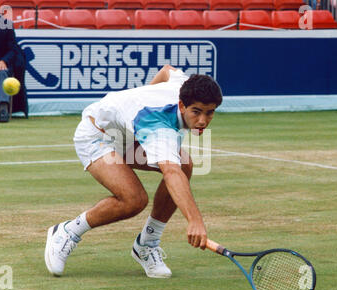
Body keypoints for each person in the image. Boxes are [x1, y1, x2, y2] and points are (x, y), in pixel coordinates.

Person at [45, 65, 223, 278]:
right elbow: (171, 174)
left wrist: (146, 95)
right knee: (134, 199)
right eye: (196, 112)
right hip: (96, 136)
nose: (203, 120)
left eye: (210, 112)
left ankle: (146, 244)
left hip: (127, 137)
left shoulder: (182, 85)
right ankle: (67, 232)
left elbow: (167, 70)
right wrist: (195, 220)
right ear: (182, 105)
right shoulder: (156, 126)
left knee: (185, 165)